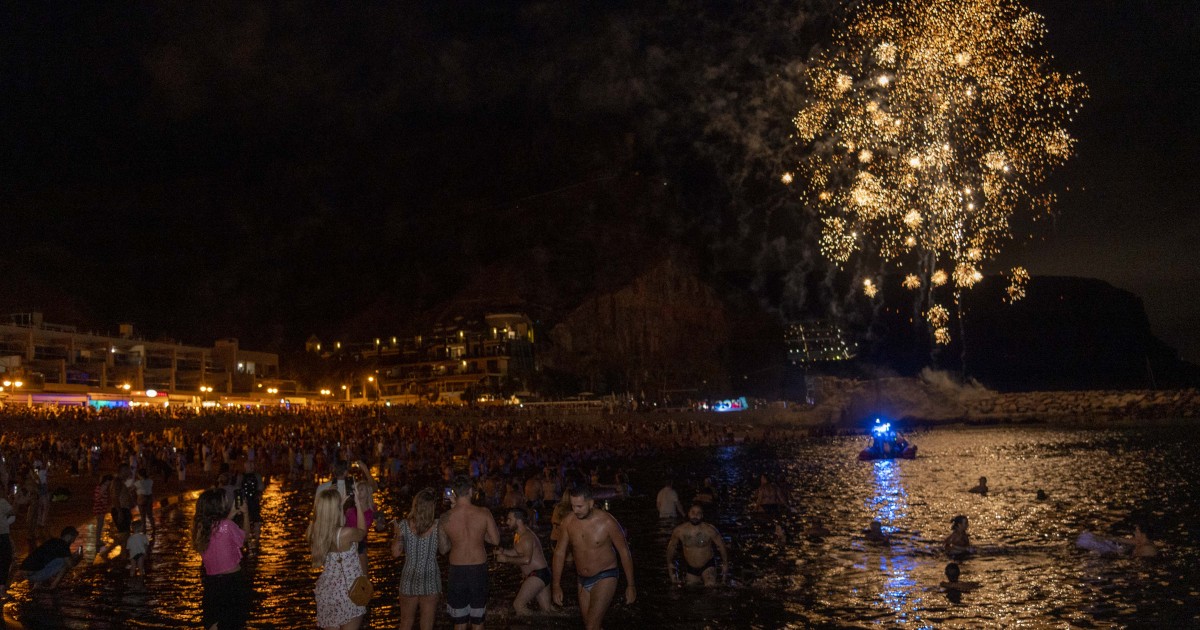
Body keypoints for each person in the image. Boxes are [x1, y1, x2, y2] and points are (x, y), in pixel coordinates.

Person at [552, 484, 636, 630]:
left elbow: (624, 551)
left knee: (591, 627)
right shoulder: (568, 522)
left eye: (580, 506)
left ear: (590, 503)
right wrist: (556, 585)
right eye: (573, 506)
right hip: (582, 581)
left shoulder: (608, 522)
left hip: (605, 575)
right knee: (592, 626)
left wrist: (631, 585)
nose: (576, 510)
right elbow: (559, 553)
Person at [438, 475, 500, 630]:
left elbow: (443, 549)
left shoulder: (445, 518)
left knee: (459, 621)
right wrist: (479, 535)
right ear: (471, 491)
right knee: (478, 620)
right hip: (478, 569)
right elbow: (495, 541)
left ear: (454, 493)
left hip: (457, 571)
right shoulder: (484, 513)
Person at [309, 485, 368, 630]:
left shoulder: (314, 531)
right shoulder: (345, 534)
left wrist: (339, 505)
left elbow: (330, 521)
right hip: (348, 592)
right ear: (335, 510)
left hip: (328, 591)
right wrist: (358, 504)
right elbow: (362, 532)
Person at [192, 487, 250, 630]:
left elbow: (217, 530)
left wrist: (231, 514)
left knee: (214, 623)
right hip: (232, 583)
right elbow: (245, 537)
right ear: (217, 505)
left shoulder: (200, 528)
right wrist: (246, 513)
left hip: (212, 584)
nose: (227, 501)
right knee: (233, 623)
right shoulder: (227, 526)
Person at [392, 488, 442, 630]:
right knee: (427, 624)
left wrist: (397, 534)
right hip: (430, 577)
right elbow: (446, 549)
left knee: (406, 623)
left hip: (409, 577)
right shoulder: (438, 526)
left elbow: (395, 553)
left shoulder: (404, 525)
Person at [495, 507, 553, 615]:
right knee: (547, 613)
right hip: (542, 574)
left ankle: (533, 623)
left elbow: (526, 559)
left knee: (518, 605)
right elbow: (517, 552)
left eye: (510, 519)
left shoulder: (526, 537)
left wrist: (506, 559)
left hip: (537, 575)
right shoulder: (519, 535)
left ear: (519, 521)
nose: (507, 522)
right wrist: (504, 551)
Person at [665, 504, 729, 587]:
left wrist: (725, 563)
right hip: (691, 567)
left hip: (707, 565)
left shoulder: (709, 530)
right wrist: (669, 563)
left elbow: (721, 546)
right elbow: (672, 547)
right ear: (688, 514)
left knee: (710, 588)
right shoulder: (679, 531)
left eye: (698, 513)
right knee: (691, 590)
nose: (695, 515)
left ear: (702, 516)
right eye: (693, 512)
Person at [20, 526, 80, 590]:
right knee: (65, 563)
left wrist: (70, 556)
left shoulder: (53, 541)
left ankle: (37, 586)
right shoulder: (64, 546)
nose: (73, 541)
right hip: (33, 575)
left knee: (46, 560)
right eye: (73, 538)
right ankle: (53, 586)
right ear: (68, 536)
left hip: (24, 571)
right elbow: (71, 564)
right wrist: (78, 558)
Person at [92, 474, 113, 554]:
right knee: (100, 524)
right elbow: (99, 497)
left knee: (100, 524)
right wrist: (104, 503)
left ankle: (98, 540)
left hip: (98, 506)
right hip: (100, 507)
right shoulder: (104, 487)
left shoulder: (99, 486)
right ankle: (97, 541)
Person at [0, 491, 13, 599]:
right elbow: (13, 513)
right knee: (5, 561)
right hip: (2, 535)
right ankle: (1, 589)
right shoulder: (2, 502)